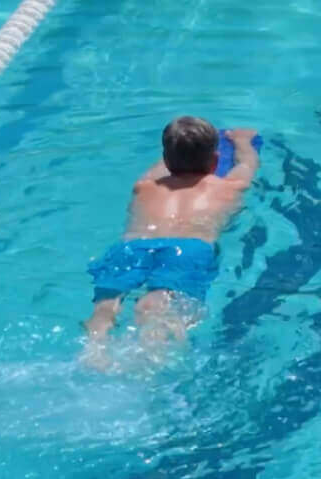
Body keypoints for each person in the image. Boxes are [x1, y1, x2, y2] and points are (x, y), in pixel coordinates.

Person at [84, 115, 259, 365]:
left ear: (166, 160)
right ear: (216, 161)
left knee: (106, 304)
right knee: (155, 306)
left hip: (132, 247)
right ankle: (149, 359)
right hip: (186, 249)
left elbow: (162, 167)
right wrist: (243, 141)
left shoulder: (143, 186)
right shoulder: (231, 187)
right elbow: (247, 163)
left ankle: (94, 350)